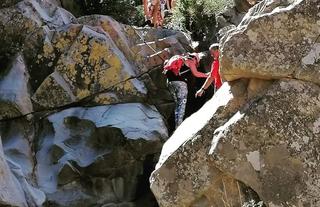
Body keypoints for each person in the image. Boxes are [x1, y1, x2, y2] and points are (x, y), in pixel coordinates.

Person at [163, 53, 208, 128]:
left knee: (178, 104)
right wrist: (207, 75)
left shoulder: (180, 58)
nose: (196, 63)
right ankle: (179, 126)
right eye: (197, 61)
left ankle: (176, 124)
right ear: (195, 58)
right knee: (182, 104)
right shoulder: (191, 60)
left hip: (170, 83)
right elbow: (196, 73)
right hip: (180, 84)